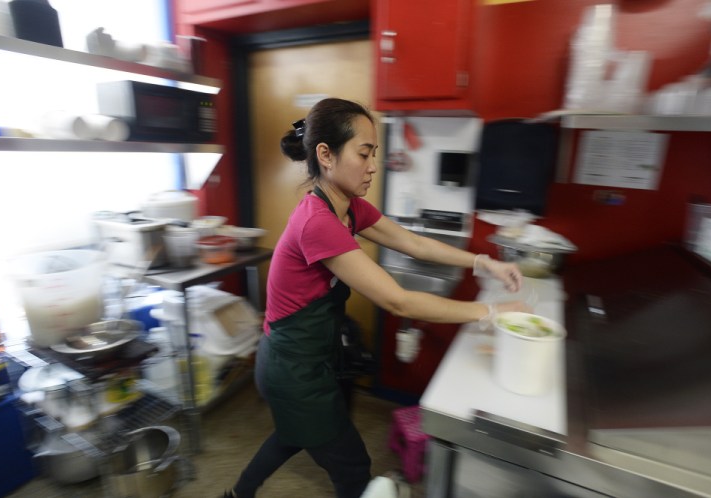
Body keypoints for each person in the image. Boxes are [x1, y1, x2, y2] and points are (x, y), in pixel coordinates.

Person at [220, 98, 530, 498]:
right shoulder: (317, 222)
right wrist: (492, 311)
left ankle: (236, 495)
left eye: (374, 154)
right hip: (292, 370)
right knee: (352, 467)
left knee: (292, 435)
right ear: (325, 155)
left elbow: (413, 243)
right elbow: (399, 301)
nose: (372, 166)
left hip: (305, 359)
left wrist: (482, 262)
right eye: (364, 154)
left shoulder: (347, 208)